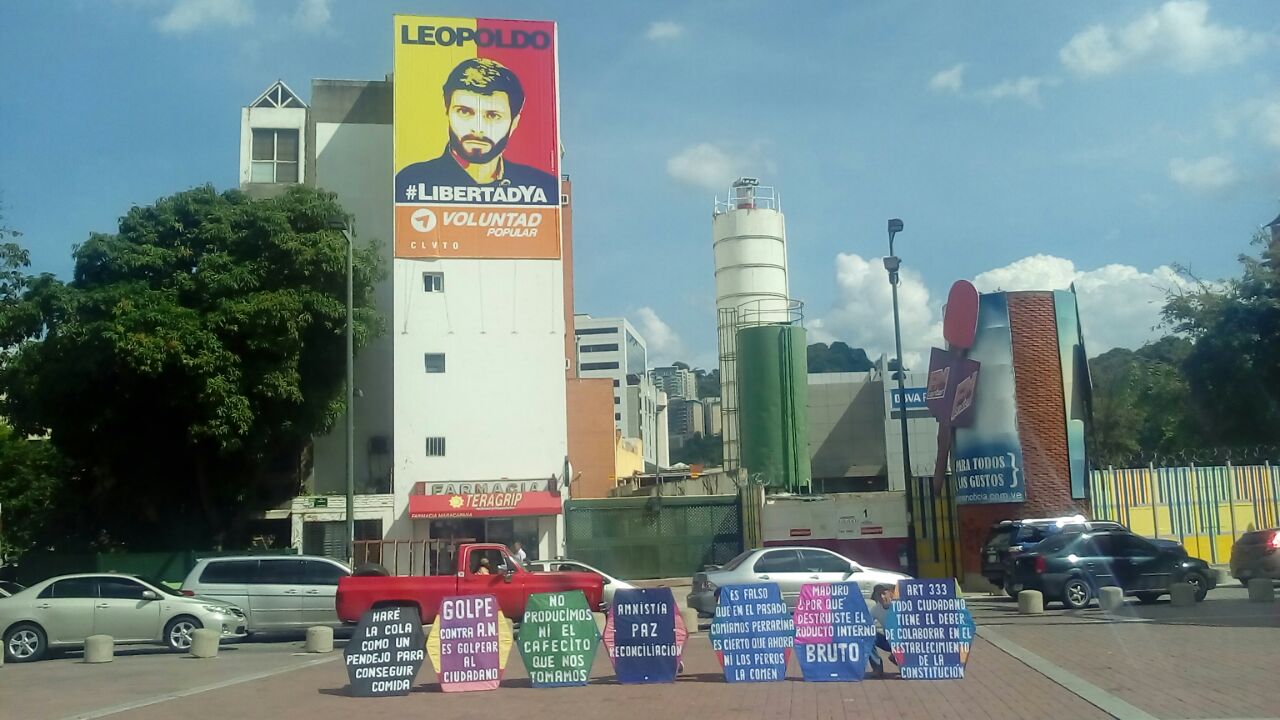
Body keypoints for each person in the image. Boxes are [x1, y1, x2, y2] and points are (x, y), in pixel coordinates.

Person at [395, 58, 558, 204]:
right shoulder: (412, 181)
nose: (478, 128)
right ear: (447, 112)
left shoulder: (544, 188)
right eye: (464, 112)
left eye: (493, 115)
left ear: (514, 122)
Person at [868, 584, 899, 678]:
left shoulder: (900, 606)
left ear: (891, 594)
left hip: (905, 642)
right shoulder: (875, 609)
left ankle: (908, 666)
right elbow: (865, 623)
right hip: (889, 641)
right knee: (867, 636)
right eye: (878, 595)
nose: (882, 597)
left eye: (884, 593)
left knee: (897, 657)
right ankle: (877, 668)